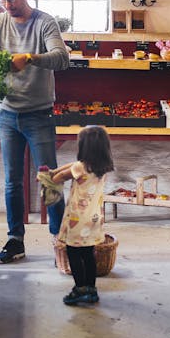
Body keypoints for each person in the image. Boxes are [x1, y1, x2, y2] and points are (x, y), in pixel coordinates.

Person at [0, 0, 70, 264]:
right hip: (8, 114)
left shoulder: (44, 22)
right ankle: (15, 241)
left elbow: (62, 58)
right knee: (12, 181)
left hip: (39, 115)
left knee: (49, 179)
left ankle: (59, 239)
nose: (7, 4)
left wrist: (31, 58)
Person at [51, 125, 114, 305]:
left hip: (77, 219)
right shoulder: (103, 166)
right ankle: (91, 290)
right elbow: (71, 166)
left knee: (73, 251)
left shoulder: (80, 167)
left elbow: (59, 178)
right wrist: (56, 170)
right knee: (88, 253)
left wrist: (50, 175)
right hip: (94, 219)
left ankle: (79, 289)